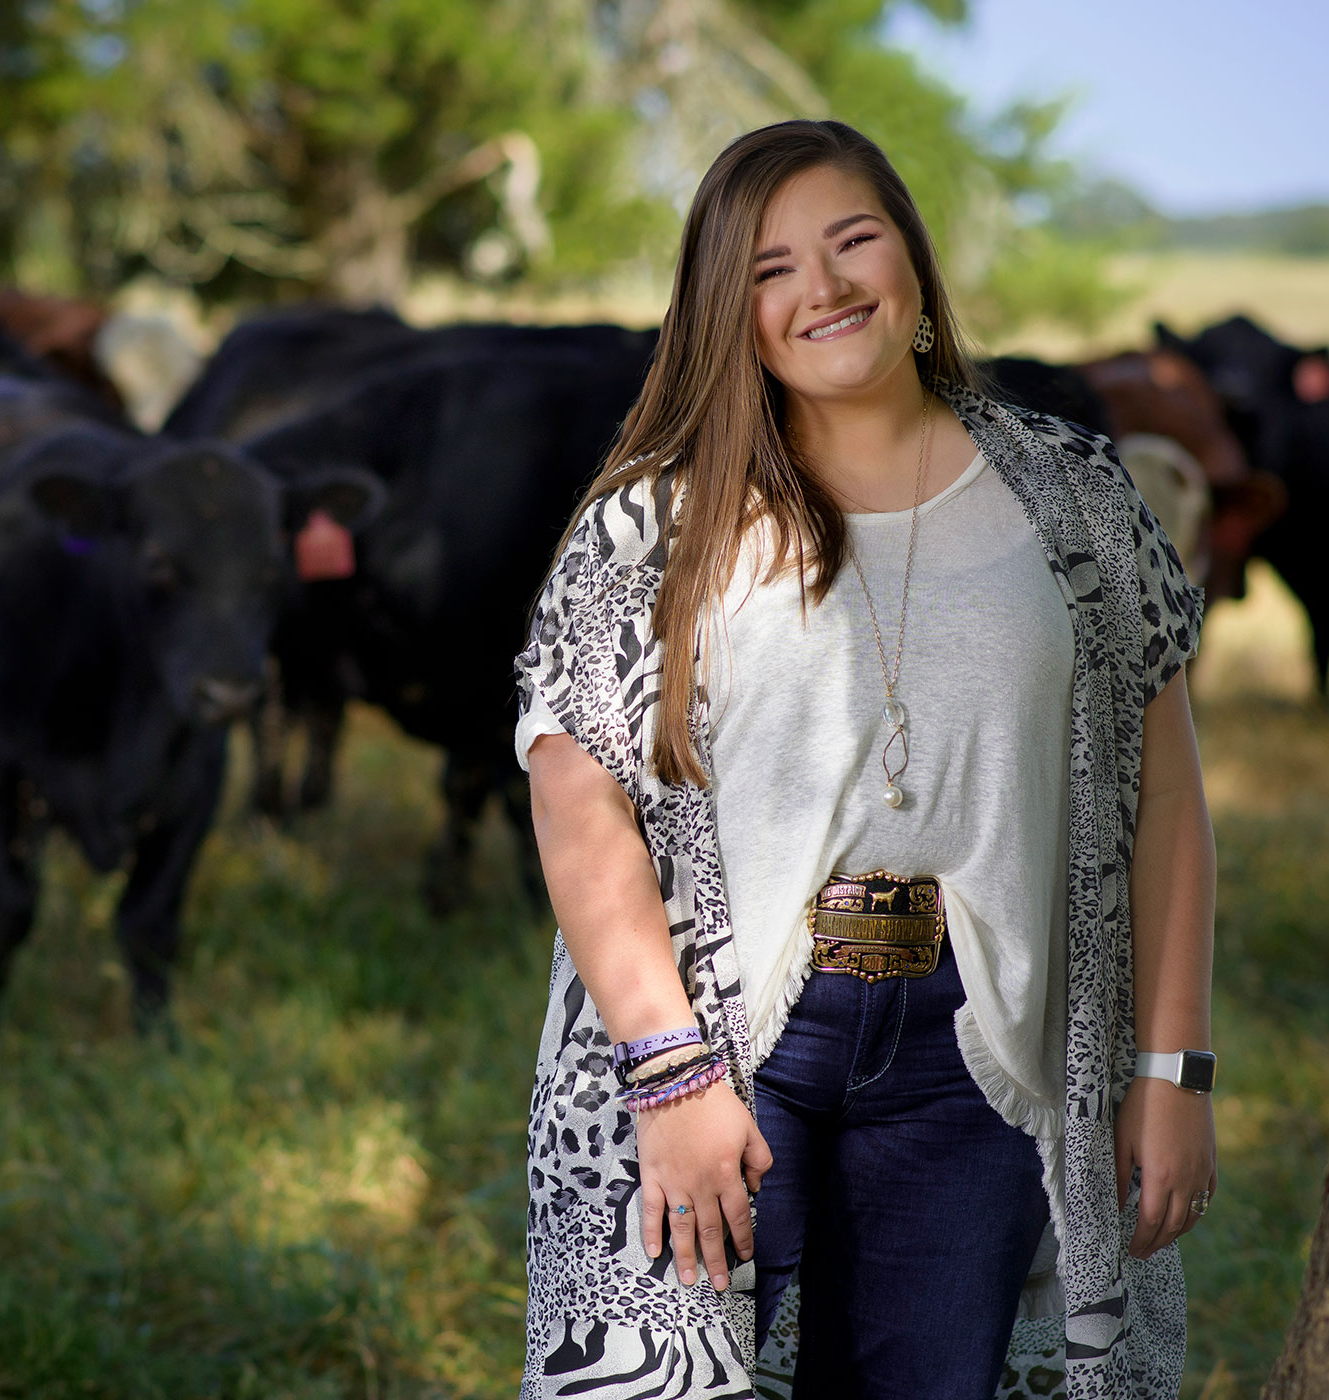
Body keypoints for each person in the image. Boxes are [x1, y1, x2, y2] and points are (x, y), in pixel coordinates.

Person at [512, 120, 1219, 1399]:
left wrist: (1173, 1069)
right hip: (721, 1038)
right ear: (729, 307)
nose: (824, 289)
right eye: (772, 267)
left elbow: (1165, 794)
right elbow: (577, 791)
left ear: (911, 255)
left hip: (978, 1050)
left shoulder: (1073, 494)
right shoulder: (655, 517)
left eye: (854, 240)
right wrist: (669, 1074)